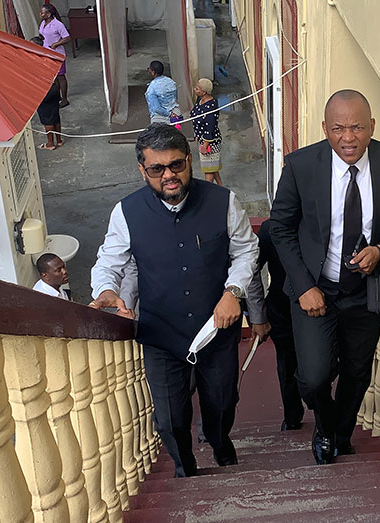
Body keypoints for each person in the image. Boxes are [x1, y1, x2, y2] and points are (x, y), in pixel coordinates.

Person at [89, 123, 259, 477]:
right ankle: (186, 467)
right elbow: (110, 261)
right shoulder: (126, 212)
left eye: (177, 165)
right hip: (161, 333)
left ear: (190, 160)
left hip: (216, 328)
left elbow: (246, 250)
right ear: (142, 170)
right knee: (168, 418)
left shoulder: (223, 202)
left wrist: (233, 292)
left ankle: (218, 440)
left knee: (224, 402)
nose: (169, 175)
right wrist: (106, 289)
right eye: (157, 169)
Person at [268, 89, 380, 465]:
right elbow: (280, 228)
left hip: (365, 291)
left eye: (357, 127)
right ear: (325, 128)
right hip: (314, 290)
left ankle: (339, 434)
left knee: (356, 372)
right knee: (314, 377)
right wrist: (304, 286)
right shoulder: (301, 166)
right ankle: (325, 424)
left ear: (372, 127)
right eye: (338, 128)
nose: (348, 137)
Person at [246, 219, 305, 431]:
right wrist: (258, 315)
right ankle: (292, 416)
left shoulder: (323, 222)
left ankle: (316, 409)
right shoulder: (270, 230)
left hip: (319, 308)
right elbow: (252, 268)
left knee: (320, 366)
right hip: (281, 309)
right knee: (288, 363)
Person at [190, 78, 223, 185]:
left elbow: (210, 128)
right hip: (202, 139)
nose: (195, 90)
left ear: (204, 92)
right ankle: (220, 186)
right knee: (212, 166)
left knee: (208, 170)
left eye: (197, 88)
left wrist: (205, 145)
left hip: (210, 143)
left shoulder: (210, 107)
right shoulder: (199, 100)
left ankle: (207, 190)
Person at [39, 3, 71, 107]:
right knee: (54, 77)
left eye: (42, 12)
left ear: (48, 14)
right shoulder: (43, 23)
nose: (40, 14)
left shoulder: (58, 25)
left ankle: (65, 99)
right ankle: (58, 97)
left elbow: (67, 37)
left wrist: (56, 44)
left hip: (57, 54)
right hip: (47, 53)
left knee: (61, 76)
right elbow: (42, 34)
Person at [35, 75, 64, 150]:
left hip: (43, 90)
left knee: (47, 118)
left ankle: (50, 143)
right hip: (53, 87)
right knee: (55, 115)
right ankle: (59, 140)